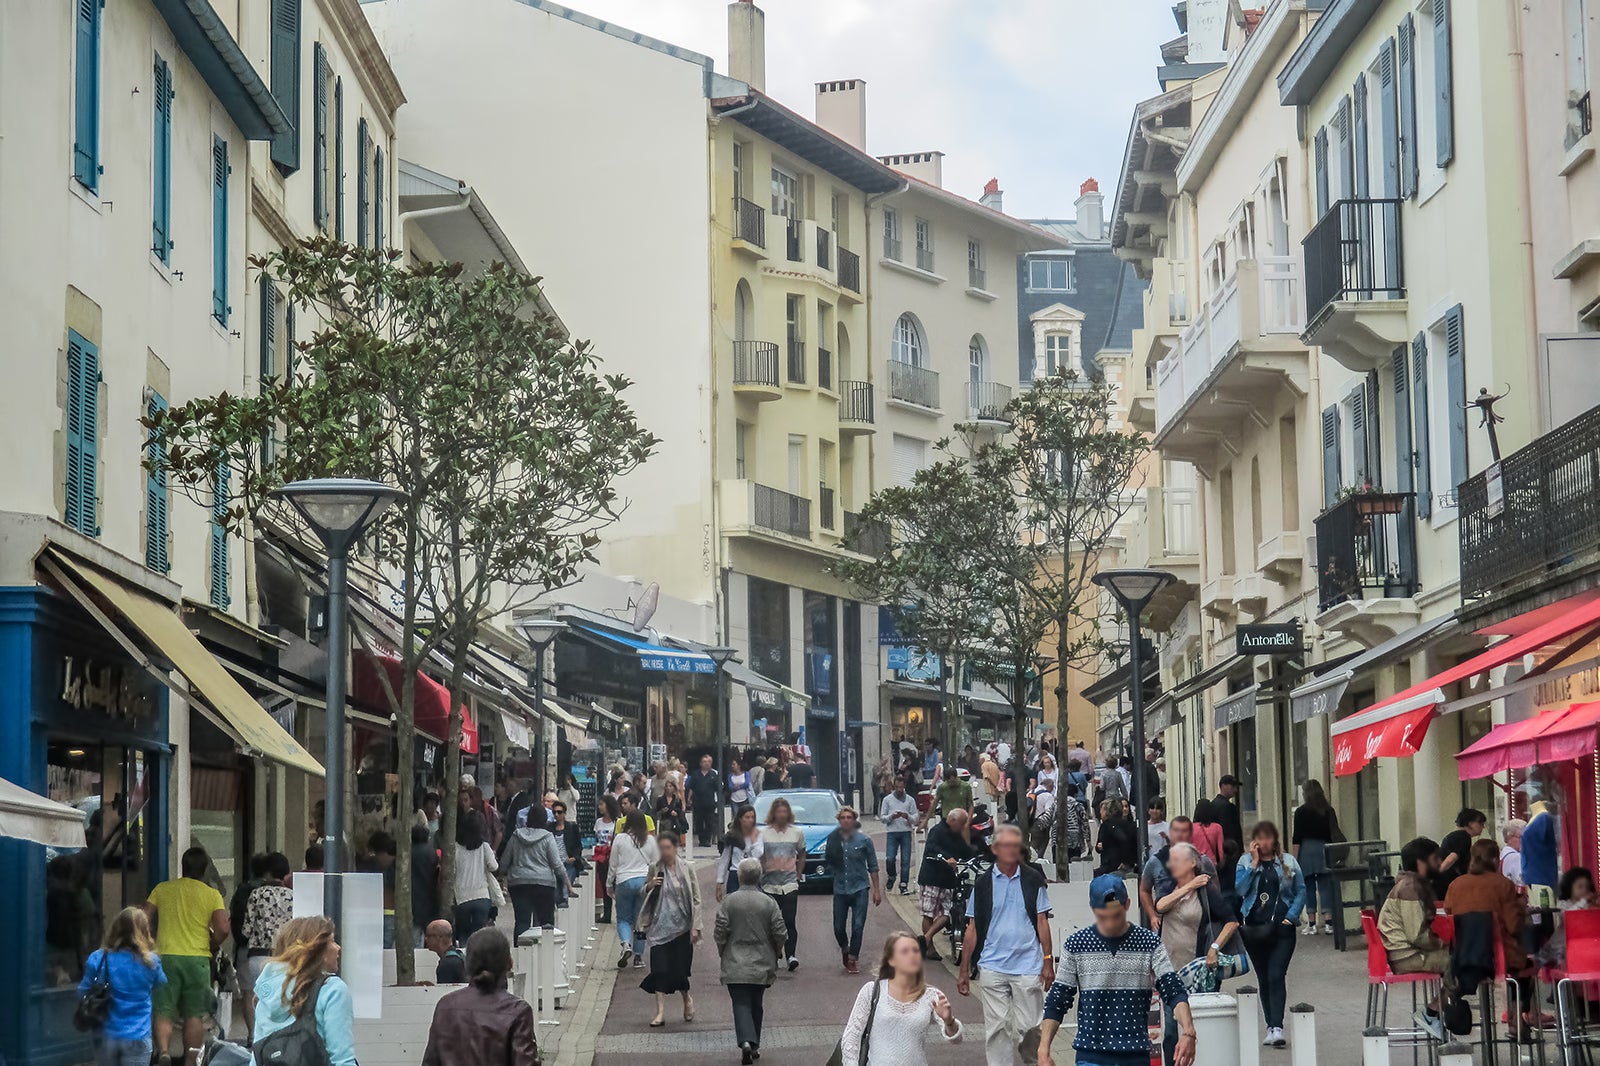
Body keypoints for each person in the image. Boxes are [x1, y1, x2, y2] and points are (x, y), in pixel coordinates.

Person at [1041, 875, 1194, 1066]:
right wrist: (1044, 1049)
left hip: (1134, 1054)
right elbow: (1058, 999)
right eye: (1103, 917)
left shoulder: (1149, 943)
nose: (1111, 923)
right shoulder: (1076, 944)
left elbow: (1173, 989)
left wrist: (1188, 1030)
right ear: (1093, 909)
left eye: (1116, 916)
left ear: (1128, 904)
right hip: (1091, 1054)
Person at [956, 824, 1053, 1066]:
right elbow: (973, 928)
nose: (1011, 850)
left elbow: (1042, 921)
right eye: (1006, 845)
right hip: (992, 964)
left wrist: (1048, 961)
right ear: (995, 849)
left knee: (1030, 1028)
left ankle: (1034, 1061)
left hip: (1027, 965)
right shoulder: (983, 884)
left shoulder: (1033, 880)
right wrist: (964, 969)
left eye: (1015, 845)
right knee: (997, 1029)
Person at [144, 847, 229, 1063]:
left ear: (183, 866)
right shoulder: (212, 895)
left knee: (163, 1009)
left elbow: (143, 918)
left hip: (166, 958)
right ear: (205, 869)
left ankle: (163, 1051)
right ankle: (191, 1061)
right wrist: (213, 943)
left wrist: (149, 943)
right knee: (194, 1013)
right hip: (197, 959)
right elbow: (223, 929)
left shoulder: (162, 889)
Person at [1444, 838, 1534, 1038]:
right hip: (1499, 958)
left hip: (1464, 958)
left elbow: (1449, 915)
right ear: (1495, 859)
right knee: (1525, 968)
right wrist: (1520, 908)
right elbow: (1513, 926)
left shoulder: (1456, 885)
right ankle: (1516, 1018)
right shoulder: (1503, 885)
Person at [1157, 843, 1239, 1064]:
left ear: (1192, 863)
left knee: (1195, 1026)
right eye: (1171, 860)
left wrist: (1215, 948)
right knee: (1171, 1031)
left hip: (1195, 971)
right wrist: (1188, 885)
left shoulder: (1206, 890)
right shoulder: (1168, 885)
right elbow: (1160, 906)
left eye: (1176, 860)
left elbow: (1232, 921)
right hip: (1167, 970)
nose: (1171, 864)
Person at [839, 932, 963, 1065]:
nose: (913, 955)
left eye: (916, 950)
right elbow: (851, 1038)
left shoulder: (931, 995)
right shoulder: (872, 991)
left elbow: (956, 1040)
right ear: (891, 960)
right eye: (905, 951)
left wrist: (949, 1021)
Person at [421, 928, 538, 1066]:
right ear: (509, 963)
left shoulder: (446, 1005)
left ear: (468, 964)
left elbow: (431, 1061)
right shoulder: (517, 1010)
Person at [1234, 821, 1304, 1048]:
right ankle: (1269, 1027)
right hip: (1254, 930)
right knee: (1264, 978)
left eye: (1268, 838)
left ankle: (1278, 1027)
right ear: (1254, 841)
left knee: (1276, 975)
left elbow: (1300, 890)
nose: (1264, 843)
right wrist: (1254, 864)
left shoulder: (1288, 861)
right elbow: (1240, 890)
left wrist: (1290, 917)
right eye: (1260, 838)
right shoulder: (1245, 862)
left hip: (1282, 930)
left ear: (1275, 839)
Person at [252, 915, 356, 1066]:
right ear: (315, 949)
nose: (338, 947)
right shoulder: (332, 991)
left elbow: (256, 1059)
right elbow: (342, 1060)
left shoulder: (266, 995)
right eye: (332, 941)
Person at [1377, 836, 1452, 1040]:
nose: (1439, 862)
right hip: (1408, 956)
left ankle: (1436, 1012)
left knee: (1462, 960)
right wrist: (1444, 943)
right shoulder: (1410, 887)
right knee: (1465, 963)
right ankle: (1432, 1012)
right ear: (1421, 862)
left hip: (1403, 953)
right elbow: (1417, 935)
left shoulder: (1409, 884)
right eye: (1435, 858)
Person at [717, 857, 788, 1064]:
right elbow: (780, 932)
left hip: (735, 962)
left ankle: (746, 1041)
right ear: (759, 877)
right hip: (762, 963)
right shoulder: (769, 902)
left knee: (740, 1003)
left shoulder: (729, 901)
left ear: (739, 876)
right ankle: (754, 1043)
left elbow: (720, 931)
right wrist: (778, 951)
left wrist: (722, 950)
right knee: (756, 1002)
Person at [79, 906, 166, 1066]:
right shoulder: (151, 962)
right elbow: (160, 983)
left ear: (115, 929)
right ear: (144, 931)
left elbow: (83, 991)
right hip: (138, 1036)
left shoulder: (98, 958)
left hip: (106, 1035)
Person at [637, 830, 702, 1026]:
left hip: (681, 928)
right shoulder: (654, 868)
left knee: (679, 971)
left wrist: (695, 926)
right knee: (659, 970)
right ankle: (660, 1013)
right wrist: (650, 885)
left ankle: (686, 999)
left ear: (676, 848)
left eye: (668, 848)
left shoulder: (687, 869)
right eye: (662, 848)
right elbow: (643, 893)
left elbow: (696, 899)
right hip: (659, 928)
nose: (665, 852)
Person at [825, 807, 882, 974]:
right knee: (838, 926)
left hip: (860, 888)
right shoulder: (833, 839)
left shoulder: (864, 840)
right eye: (842, 817)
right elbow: (828, 861)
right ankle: (844, 947)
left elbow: (873, 865)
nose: (846, 820)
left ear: (855, 820)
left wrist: (876, 890)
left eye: (849, 817)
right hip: (840, 888)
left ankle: (852, 958)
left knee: (858, 925)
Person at [504, 802, 572, 937]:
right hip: (544, 884)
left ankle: (521, 952)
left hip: (519, 883)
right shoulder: (547, 837)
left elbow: (505, 861)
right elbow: (557, 864)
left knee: (521, 921)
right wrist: (567, 884)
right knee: (544, 922)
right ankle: (543, 953)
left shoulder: (516, 835)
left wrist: (503, 873)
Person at [238, 852, 294, 1012]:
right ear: (287, 873)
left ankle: (258, 1035)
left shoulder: (256, 895)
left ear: (266, 873)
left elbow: (246, 930)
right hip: (286, 957)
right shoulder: (293, 896)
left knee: (260, 1001)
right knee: (283, 1002)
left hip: (259, 956)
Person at [917, 809, 974, 961]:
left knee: (946, 914)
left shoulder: (957, 835)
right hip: (931, 877)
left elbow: (966, 851)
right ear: (954, 821)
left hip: (948, 880)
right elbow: (932, 848)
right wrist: (946, 858)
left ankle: (926, 938)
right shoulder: (937, 831)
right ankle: (929, 948)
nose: (963, 828)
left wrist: (982, 854)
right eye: (962, 824)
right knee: (928, 913)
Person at [1140, 817, 1216, 928]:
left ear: (1190, 834)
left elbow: (1215, 890)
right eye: (1176, 830)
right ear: (1170, 833)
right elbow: (1144, 890)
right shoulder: (1156, 861)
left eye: (1184, 831)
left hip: (1197, 924)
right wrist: (1152, 916)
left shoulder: (1203, 861)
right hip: (1166, 922)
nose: (1180, 835)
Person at [759, 796, 807, 971]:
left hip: (789, 883)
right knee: (771, 922)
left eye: (784, 812)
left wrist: (799, 873)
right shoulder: (764, 833)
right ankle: (773, 953)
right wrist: (761, 869)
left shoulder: (796, 833)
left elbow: (802, 853)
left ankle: (791, 955)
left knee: (789, 920)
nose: (781, 815)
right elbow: (760, 855)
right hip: (769, 884)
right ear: (773, 813)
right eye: (779, 812)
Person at [608, 812, 661, 969]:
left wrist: (609, 883)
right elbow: (656, 863)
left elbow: (613, 863)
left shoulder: (620, 839)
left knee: (623, 918)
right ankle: (638, 956)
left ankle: (626, 944)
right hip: (643, 881)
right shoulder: (650, 840)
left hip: (624, 880)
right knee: (641, 919)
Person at [1289, 780, 1340, 938]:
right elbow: (1334, 833)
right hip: (1324, 849)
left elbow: (1296, 837)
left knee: (1308, 887)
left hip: (1306, 850)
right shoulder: (1328, 810)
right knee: (1325, 887)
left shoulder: (1301, 812)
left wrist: (1294, 860)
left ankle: (1312, 924)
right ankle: (1329, 923)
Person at [227, 854, 269, 1038]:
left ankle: (252, 1034)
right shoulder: (272, 891)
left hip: (246, 948)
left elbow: (236, 918)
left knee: (247, 993)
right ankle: (265, 1034)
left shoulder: (242, 890)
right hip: (270, 949)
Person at [453, 809, 499, 945]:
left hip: (462, 898)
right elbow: (494, 866)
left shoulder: (456, 848)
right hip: (482, 897)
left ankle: (463, 961)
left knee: (463, 935)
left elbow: (452, 871)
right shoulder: (484, 846)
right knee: (479, 936)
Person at [879, 777, 919, 896]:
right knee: (890, 858)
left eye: (901, 787)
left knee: (905, 860)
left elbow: (915, 817)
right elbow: (883, 817)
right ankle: (891, 876)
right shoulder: (887, 800)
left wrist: (907, 817)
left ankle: (903, 885)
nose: (899, 790)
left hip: (906, 831)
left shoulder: (910, 800)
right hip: (892, 832)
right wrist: (892, 817)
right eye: (897, 787)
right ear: (894, 787)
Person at [716, 804, 764, 901]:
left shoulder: (758, 834)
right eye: (747, 817)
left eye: (753, 817)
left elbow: (758, 854)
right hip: (736, 874)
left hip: (752, 875)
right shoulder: (732, 836)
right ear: (740, 819)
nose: (750, 820)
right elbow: (724, 859)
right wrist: (719, 882)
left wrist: (753, 839)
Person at [1437, 807, 1487, 894]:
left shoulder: (1454, 836)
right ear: (1470, 823)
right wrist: (1437, 874)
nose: (1483, 827)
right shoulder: (1464, 837)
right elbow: (1452, 858)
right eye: (1480, 823)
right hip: (1452, 881)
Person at [410, 825, 443, 947]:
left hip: (413, 897)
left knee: (415, 935)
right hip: (430, 895)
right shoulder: (431, 852)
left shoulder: (408, 852)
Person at [1095, 798, 1139, 876]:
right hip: (1124, 865)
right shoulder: (1129, 825)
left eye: (1101, 810)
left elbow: (1123, 841)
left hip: (1111, 866)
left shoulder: (1107, 826)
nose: (1100, 812)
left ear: (1107, 811)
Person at [594, 794, 620, 924]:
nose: (600, 807)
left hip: (613, 857)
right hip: (601, 857)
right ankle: (607, 913)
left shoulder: (617, 822)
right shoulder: (598, 822)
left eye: (602, 804)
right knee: (604, 885)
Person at [424, 919, 467, 984]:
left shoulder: (446, 965)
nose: (426, 939)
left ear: (439, 937)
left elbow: (444, 992)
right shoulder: (459, 955)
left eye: (429, 936)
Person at [1188, 800, 1226, 865]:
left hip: (1196, 862)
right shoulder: (1217, 827)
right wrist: (1221, 862)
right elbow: (1220, 850)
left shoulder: (1190, 827)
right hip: (1211, 862)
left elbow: (1188, 846)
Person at [1212, 775, 1244, 852]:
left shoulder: (1213, 804)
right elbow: (1230, 831)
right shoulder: (1227, 807)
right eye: (1233, 786)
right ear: (1223, 786)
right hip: (1229, 849)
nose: (1235, 790)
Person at [1500, 818, 1527, 886]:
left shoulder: (1502, 854)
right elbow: (1523, 883)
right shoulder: (1516, 858)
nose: (1525, 841)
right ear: (1509, 837)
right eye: (1521, 837)